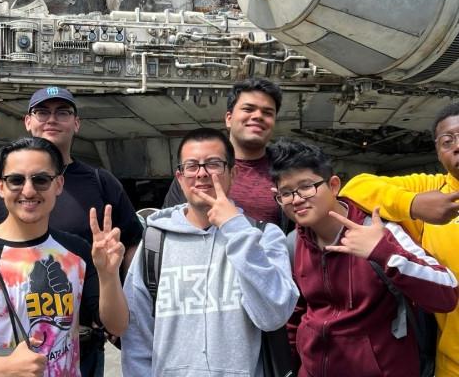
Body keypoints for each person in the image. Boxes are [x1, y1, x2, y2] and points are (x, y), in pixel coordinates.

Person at [0, 88, 142, 375]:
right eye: (42, 112)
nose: (51, 120)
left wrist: (120, 300)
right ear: (27, 122)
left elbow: (130, 242)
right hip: (10, 342)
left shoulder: (100, 182)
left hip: (82, 341)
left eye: (62, 112)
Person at [0, 137, 129, 376]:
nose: (28, 190)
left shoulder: (78, 251)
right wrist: (3, 367)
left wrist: (108, 275)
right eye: (16, 180)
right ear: (0, 186)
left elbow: (116, 325)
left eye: (41, 180)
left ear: (58, 184)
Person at [269, 137, 458, 377]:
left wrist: (383, 252)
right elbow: (296, 315)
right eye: (286, 193)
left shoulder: (378, 231)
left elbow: (447, 292)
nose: (296, 199)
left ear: (334, 185)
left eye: (306, 187)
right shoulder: (293, 243)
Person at [121, 128, 299, 376]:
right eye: (192, 166)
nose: (202, 173)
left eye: (214, 164)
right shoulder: (154, 241)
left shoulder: (265, 236)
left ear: (233, 173)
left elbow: (274, 315)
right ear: (180, 177)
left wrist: (235, 229)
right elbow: (137, 334)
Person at [339, 102, 459, 377]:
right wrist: (414, 204)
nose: (456, 146)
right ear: (439, 153)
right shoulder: (433, 188)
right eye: (447, 141)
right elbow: (357, 187)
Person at [163, 78, 288, 229]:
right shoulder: (193, 172)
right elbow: (170, 226)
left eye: (267, 112)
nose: (258, 116)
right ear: (229, 119)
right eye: (248, 109)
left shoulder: (286, 173)